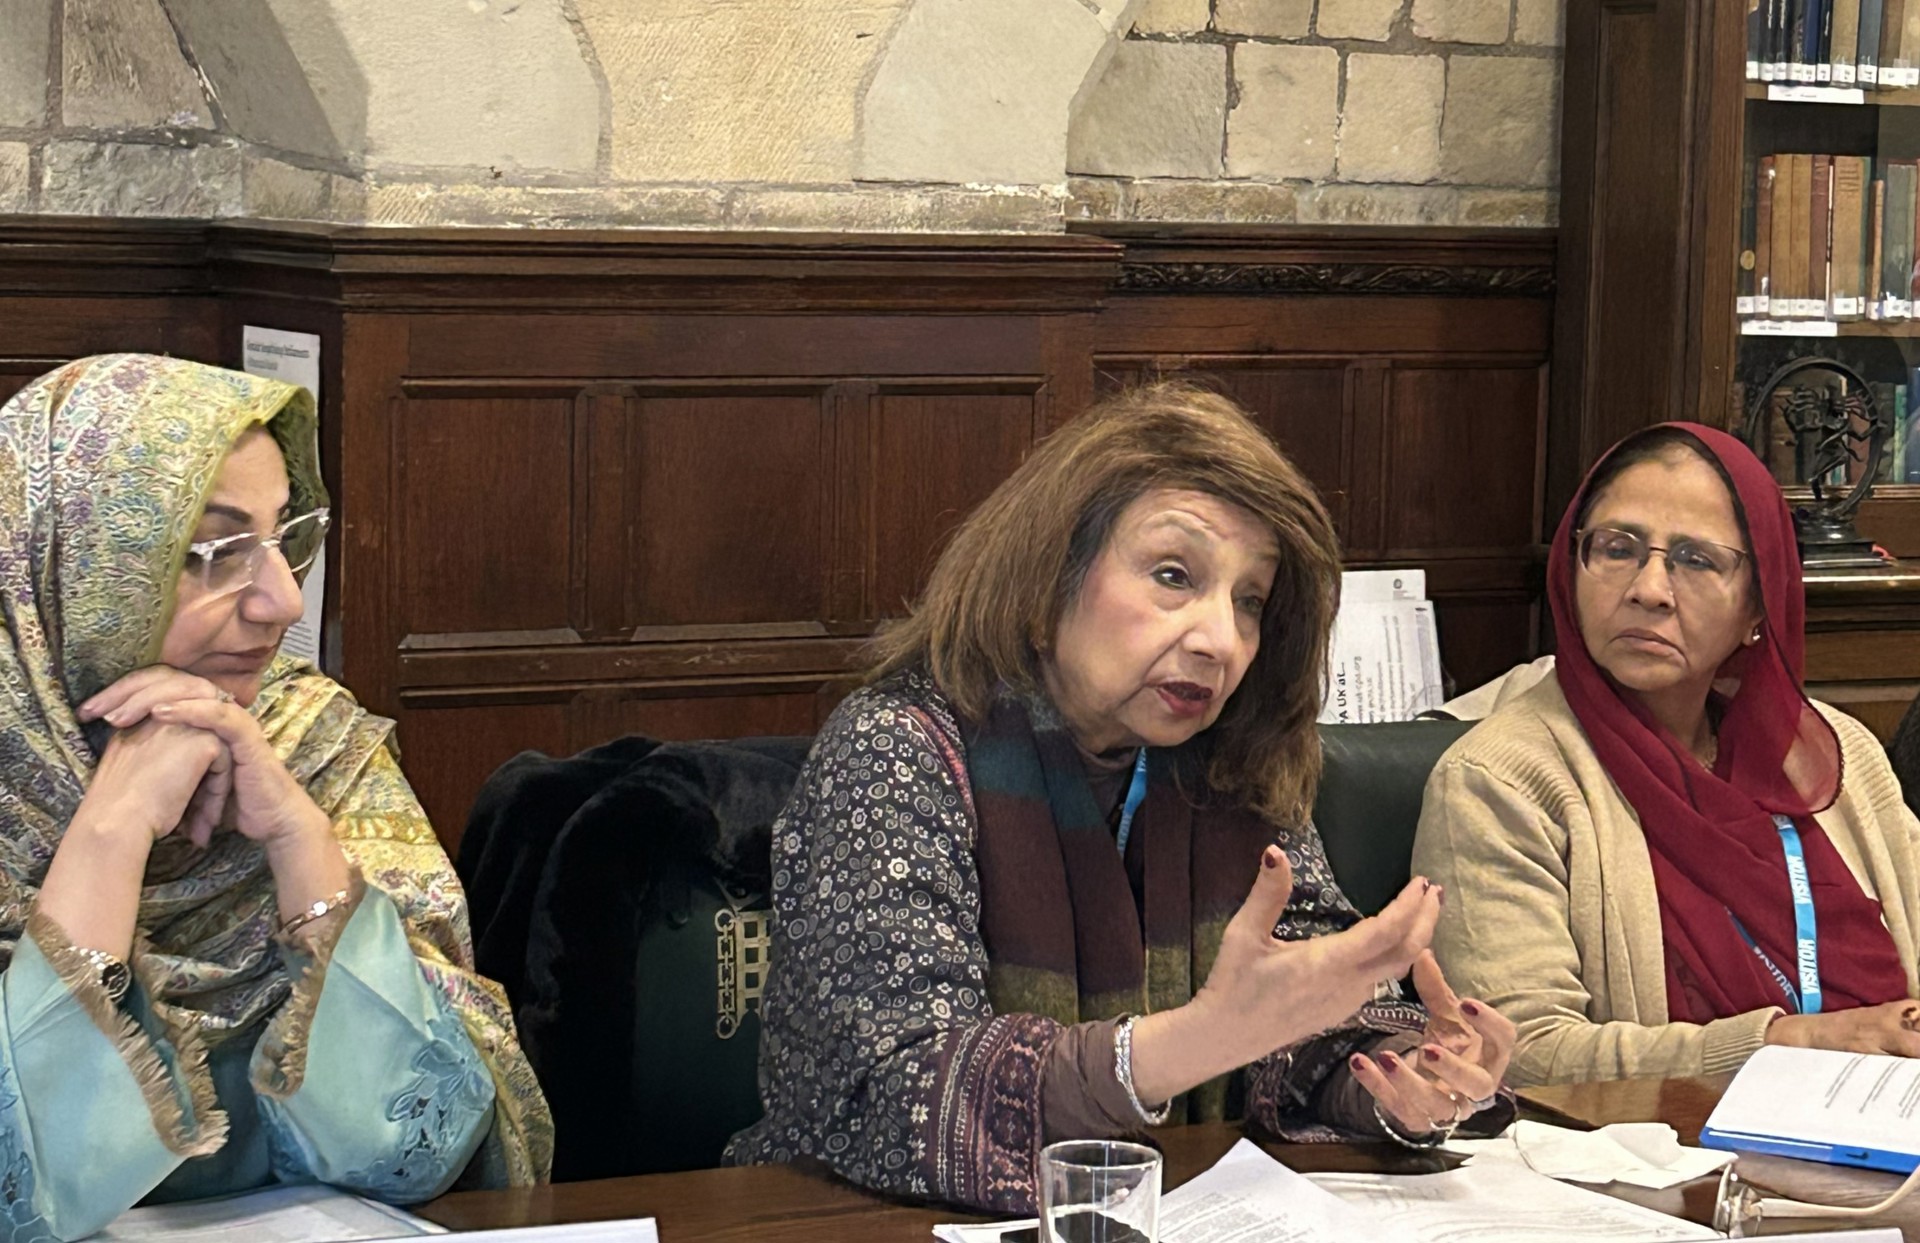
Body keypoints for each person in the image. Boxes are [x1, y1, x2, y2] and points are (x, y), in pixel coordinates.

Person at [724, 383, 1514, 1212]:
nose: (1220, 639)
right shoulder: (900, 746)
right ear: (1047, 577)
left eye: (1249, 600)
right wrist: (1187, 1043)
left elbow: (1298, 1022)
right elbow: (897, 1089)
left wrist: (1399, 1080)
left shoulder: (1230, 765)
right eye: (1174, 575)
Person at [0, 355, 553, 1240]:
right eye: (212, 553)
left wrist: (297, 838)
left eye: (284, 537)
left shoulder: (308, 743)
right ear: (76, 567)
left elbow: (427, 1140)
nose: (282, 600)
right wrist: (108, 833)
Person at [1413, 423, 1920, 1087]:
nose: (1649, 588)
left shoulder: (1830, 753)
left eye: (1696, 559)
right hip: (1655, 1172)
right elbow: (1521, 1054)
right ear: (1572, 570)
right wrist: (1789, 1043)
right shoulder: (1498, 782)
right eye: (1617, 549)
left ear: (1758, 609)